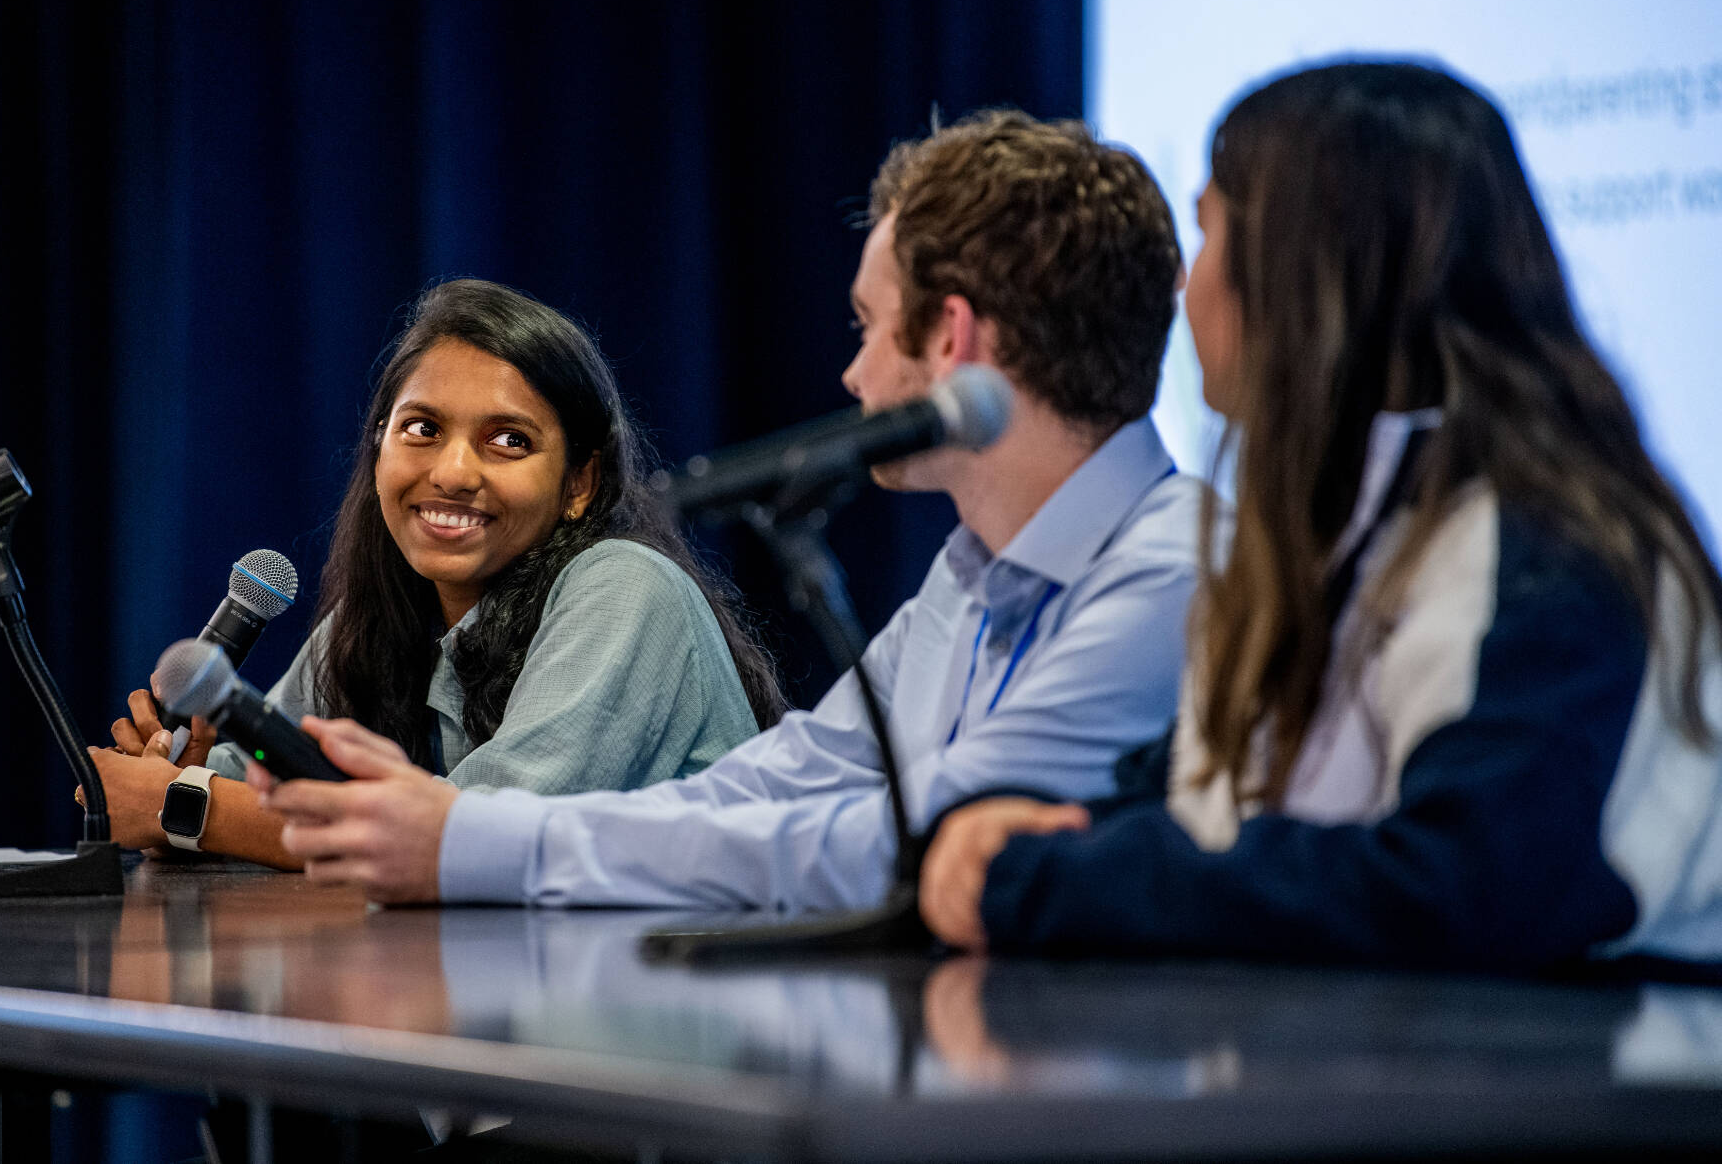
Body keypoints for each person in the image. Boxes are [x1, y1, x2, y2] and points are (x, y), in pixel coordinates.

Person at [252, 109, 1206, 908]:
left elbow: (910, 840)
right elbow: (778, 781)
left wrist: (478, 842)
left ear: (950, 338)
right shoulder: (970, 573)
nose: (853, 372)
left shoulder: (1176, 575)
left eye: (868, 327)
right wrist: (473, 830)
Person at [921, 61, 1722, 970]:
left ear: (1304, 273)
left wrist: (1059, 876)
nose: (1187, 291)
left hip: (1598, 1089)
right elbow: (1210, 808)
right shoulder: (1338, 528)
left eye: (1209, 235)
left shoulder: (1545, 544)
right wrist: (1037, 835)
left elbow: (1463, 886)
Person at [87, 279, 784, 865]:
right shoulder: (373, 625)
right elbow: (243, 793)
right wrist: (182, 771)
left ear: (580, 482)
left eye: (508, 440)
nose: (452, 473)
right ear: (379, 448)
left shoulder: (629, 587)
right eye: (421, 428)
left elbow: (477, 835)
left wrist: (179, 804)